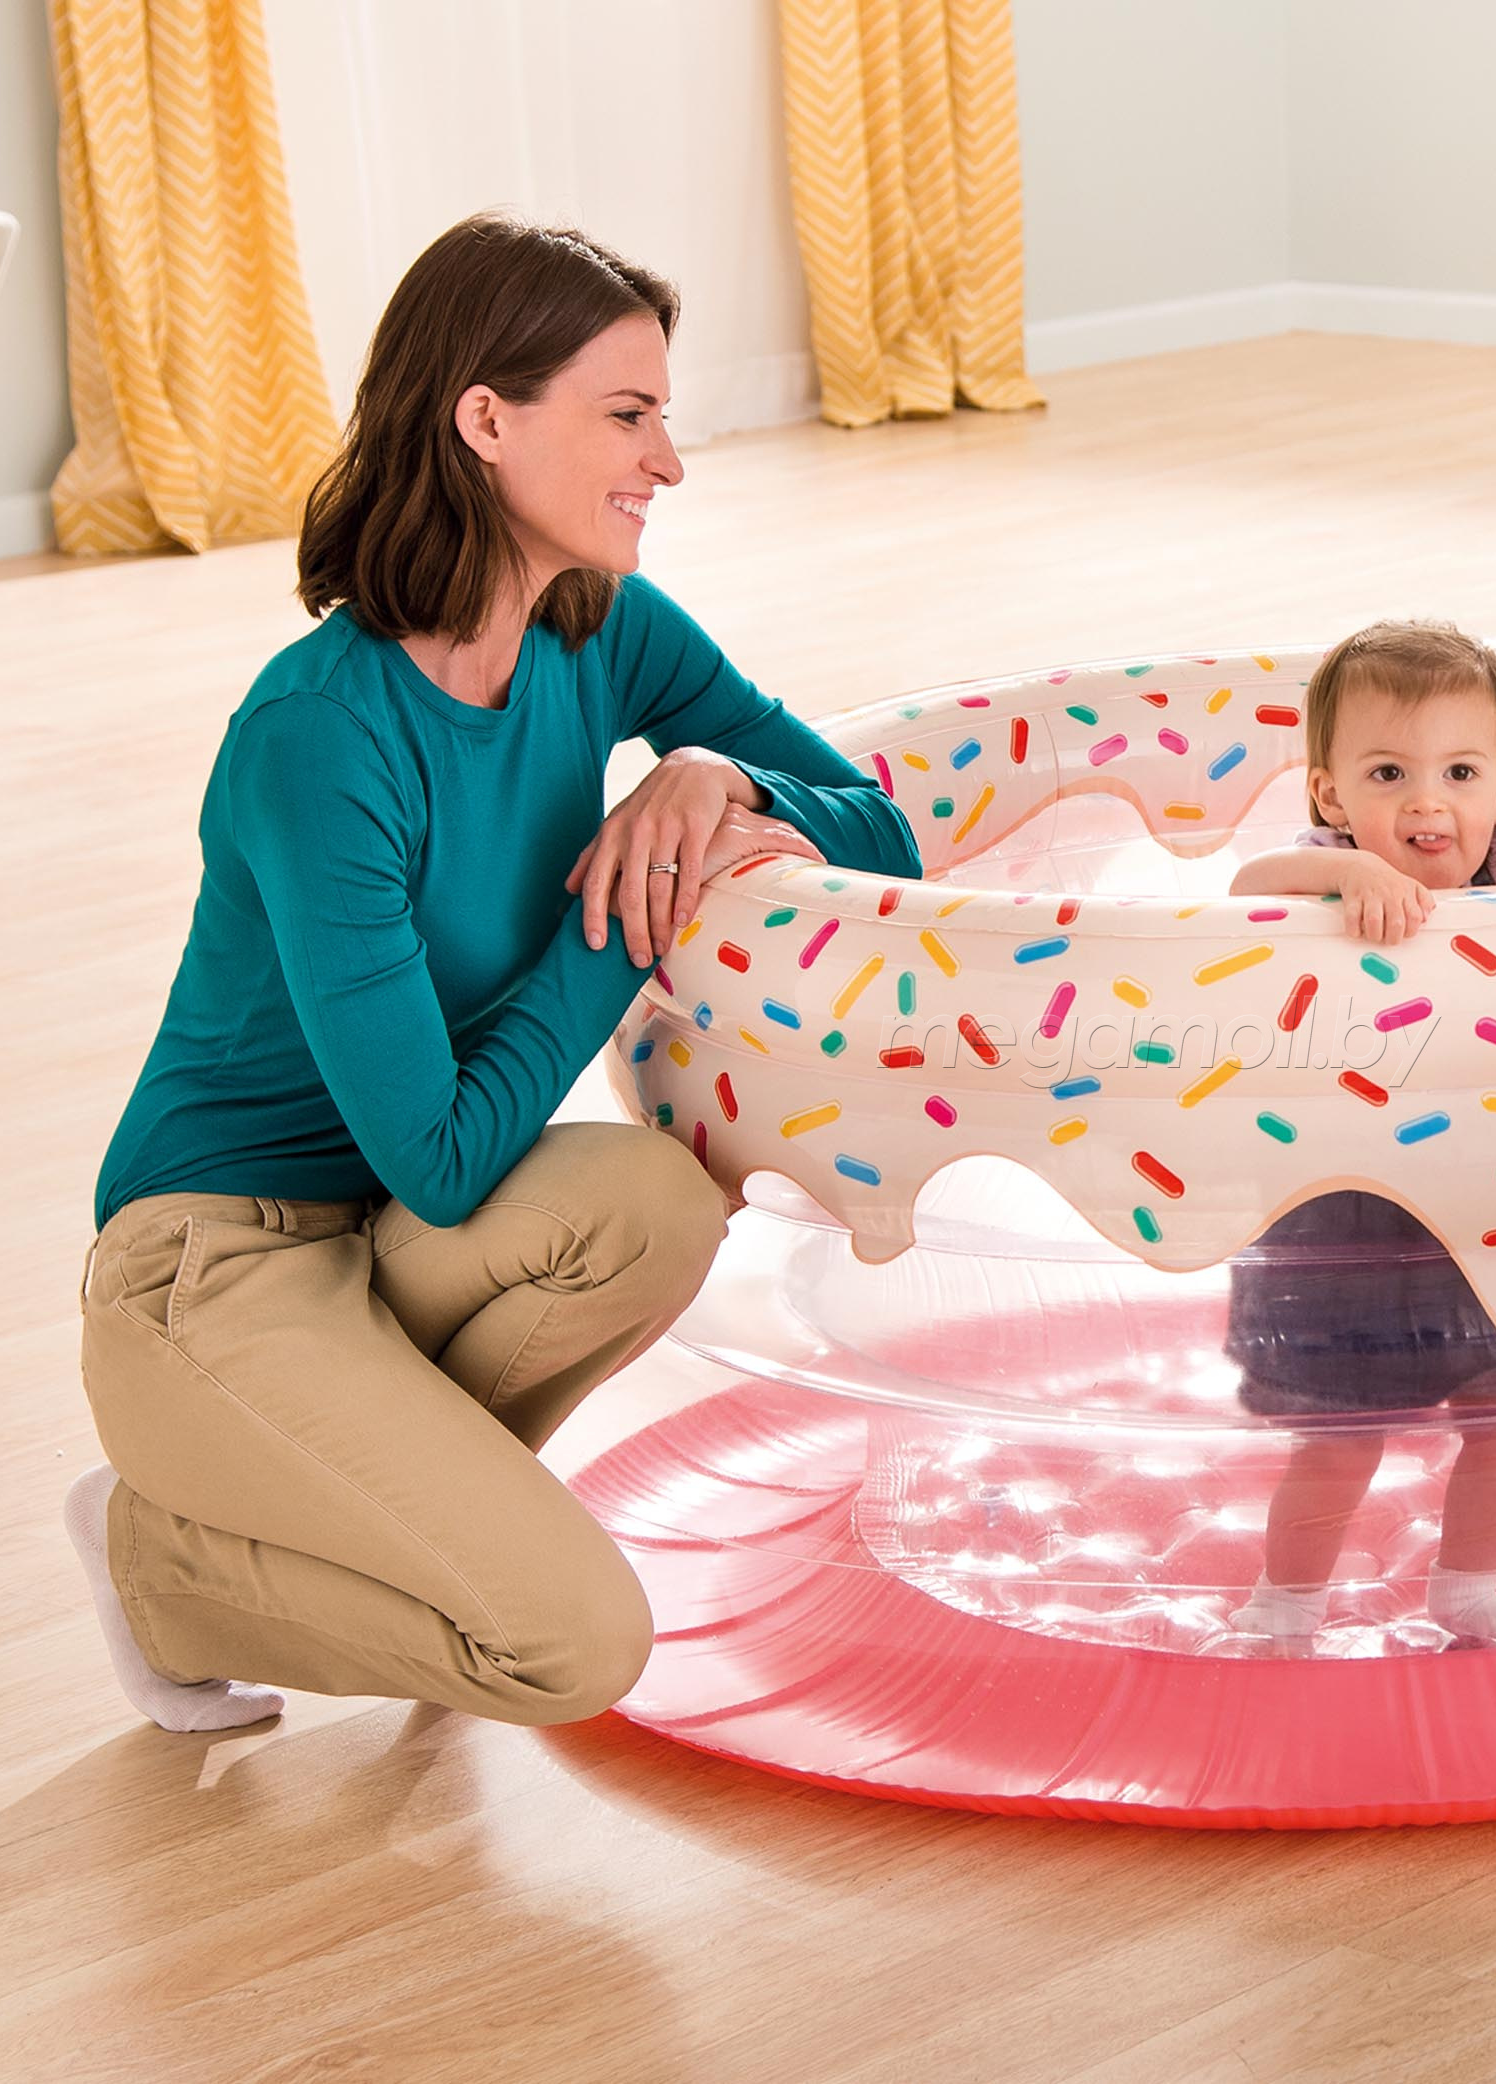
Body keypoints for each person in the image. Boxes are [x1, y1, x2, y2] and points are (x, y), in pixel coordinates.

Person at [65, 214, 920, 1732]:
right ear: (485, 420)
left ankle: (384, 1505)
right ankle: (164, 1559)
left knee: (658, 1199)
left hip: (393, 1240)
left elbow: (883, 831)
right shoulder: (321, 737)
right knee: (570, 1649)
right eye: (628, 415)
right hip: (220, 1258)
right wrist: (631, 898)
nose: (668, 463)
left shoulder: (604, 631)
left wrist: (716, 777)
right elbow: (447, 1160)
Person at [1220, 620, 1496, 1650]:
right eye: (1389, 773)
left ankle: (1467, 1587)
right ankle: (1284, 1605)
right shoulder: (1324, 864)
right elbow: (1249, 888)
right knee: (1342, 1439)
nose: (1428, 802)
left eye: (1460, 772)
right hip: (1350, 1214)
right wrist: (1346, 880)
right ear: (1332, 795)